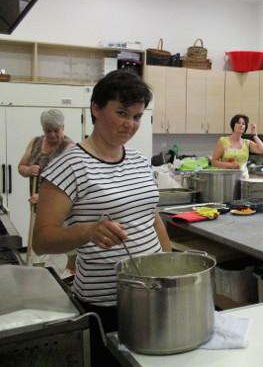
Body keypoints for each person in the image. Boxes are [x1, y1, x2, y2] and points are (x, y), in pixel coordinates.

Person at [33, 70, 172, 366]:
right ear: (96, 108)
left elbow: (153, 218)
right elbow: (42, 240)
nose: (130, 124)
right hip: (106, 303)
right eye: (121, 113)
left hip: (153, 293)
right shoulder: (69, 165)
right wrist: (87, 231)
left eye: (137, 116)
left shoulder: (138, 161)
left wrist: (170, 267)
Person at [18, 109, 74, 204]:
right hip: (36, 205)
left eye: (56, 130)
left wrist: (43, 197)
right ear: (43, 129)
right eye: (48, 131)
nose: (52, 135)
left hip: (58, 206)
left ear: (63, 127)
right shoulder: (35, 142)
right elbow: (21, 167)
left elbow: (71, 183)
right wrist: (29, 170)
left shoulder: (69, 147)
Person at [211, 114, 263, 179]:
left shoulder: (247, 143)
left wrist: (254, 135)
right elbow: (214, 162)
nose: (241, 125)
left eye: (243, 124)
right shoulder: (223, 141)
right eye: (238, 123)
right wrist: (229, 165)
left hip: (243, 179)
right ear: (233, 125)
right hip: (227, 179)